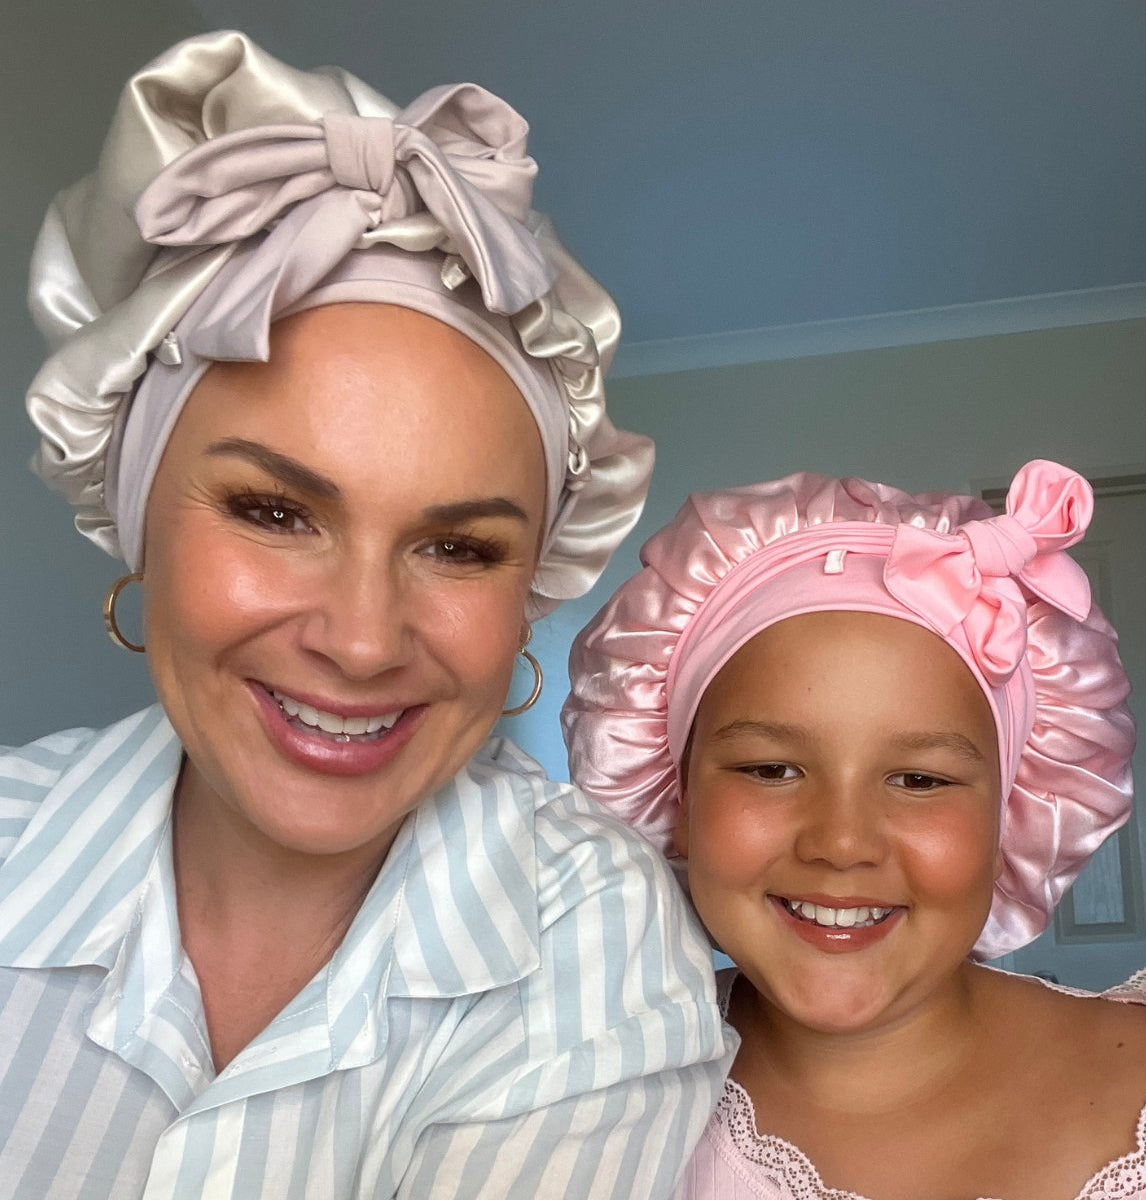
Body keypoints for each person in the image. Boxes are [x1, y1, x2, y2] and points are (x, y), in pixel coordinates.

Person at [0, 31, 733, 1199]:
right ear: (138, 523)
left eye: (457, 547)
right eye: (275, 512)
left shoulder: (593, 931)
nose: (360, 638)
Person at [564, 459, 1146, 1199]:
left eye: (920, 780)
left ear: (1016, 813)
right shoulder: (575, 1091)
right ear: (675, 794)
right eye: (771, 769)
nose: (840, 844)